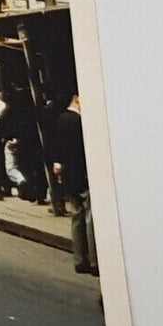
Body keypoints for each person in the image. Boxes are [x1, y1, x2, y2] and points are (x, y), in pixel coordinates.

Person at [52, 92, 97, 275]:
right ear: (76, 98)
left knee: (76, 216)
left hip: (68, 176)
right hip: (84, 174)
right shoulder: (81, 123)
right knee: (90, 218)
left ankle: (80, 260)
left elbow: (55, 148)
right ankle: (94, 261)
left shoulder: (59, 120)